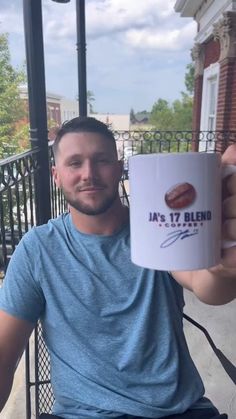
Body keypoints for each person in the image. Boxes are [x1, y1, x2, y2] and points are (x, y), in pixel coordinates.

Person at [0, 116, 235, 419]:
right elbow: (4, 355)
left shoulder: (158, 228)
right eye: (75, 163)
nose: (89, 174)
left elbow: (206, 285)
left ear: (120, 167)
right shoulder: (38, 249)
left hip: (178, 411)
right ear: (56, 176)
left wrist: (224, 268)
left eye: (102, 161)